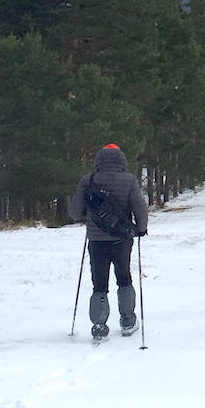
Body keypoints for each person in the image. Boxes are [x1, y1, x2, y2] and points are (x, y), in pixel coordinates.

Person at [70, 143, 149, 340]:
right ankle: (128, 320)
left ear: (98, 160)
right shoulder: (129, 180)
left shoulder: (88, 181)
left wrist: (88, 216)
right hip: (121, 239)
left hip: (96, 240)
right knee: (124, 278)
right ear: (122, 160)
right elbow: (140, 208)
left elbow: (74, 212)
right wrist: (141, 228)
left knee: (99, 283)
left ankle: (99, 326)